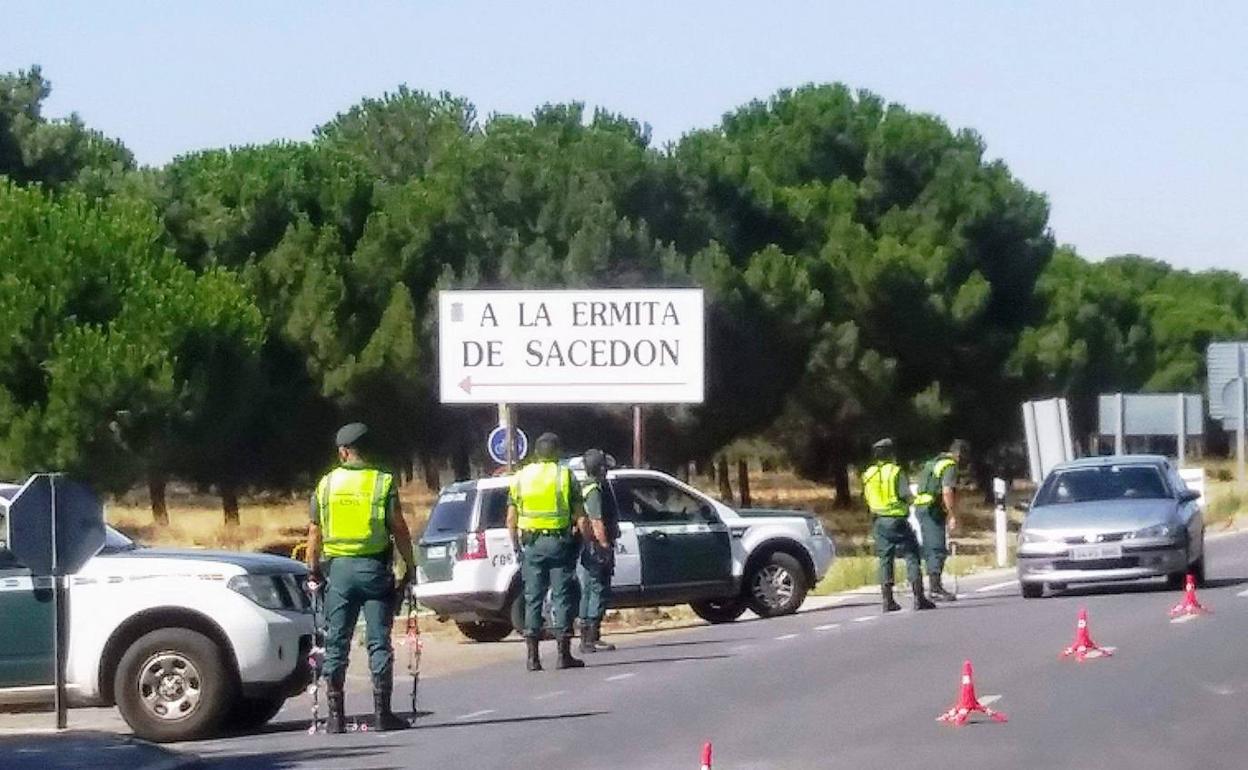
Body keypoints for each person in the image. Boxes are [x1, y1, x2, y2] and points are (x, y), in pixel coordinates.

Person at [306, 423, 416, 733]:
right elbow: (399, 527)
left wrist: (313, 569)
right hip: (374, 570)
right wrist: (409, 564)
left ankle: (334, 716)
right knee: (379, 641)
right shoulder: (382, 482)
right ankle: (383, 713)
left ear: (342, 452)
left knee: (337, 641)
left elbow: (314, 533)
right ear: (368, 450)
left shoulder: (326, 485)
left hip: (339, 571)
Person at [507, 432, 587, 671]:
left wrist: (516, 546)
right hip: (560, 544)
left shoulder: (521, 477)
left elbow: (511, 518)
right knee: (561, 597)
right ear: (558, 452)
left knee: (533, 597)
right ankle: (564, 655)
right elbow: (580, 515)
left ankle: (533, 658)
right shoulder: (564, 475)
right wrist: (587, 540)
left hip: (531, 544)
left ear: (535, 453)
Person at [863, 438, 935, 613]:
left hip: (879, 520)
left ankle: (887, 600)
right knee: (911, 554)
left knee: (885, 559)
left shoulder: (868, 474)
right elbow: (905, 495)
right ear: (891, 454)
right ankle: (919, 597)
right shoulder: (895, 472)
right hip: (897, 519)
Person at [914, 439, 969, 602]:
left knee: (931, 547)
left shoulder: (934, 462)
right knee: (937, 548)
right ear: (959, 455)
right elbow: (946, 491)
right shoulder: (949, 466)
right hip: (932, 509)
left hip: (922, 507)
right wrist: (952, 514)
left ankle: (934, 586)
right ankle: (935, 588)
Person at [578, 449, 619, 654]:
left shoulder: (590, 486)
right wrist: (604, 546)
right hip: (595, 547)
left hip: (589, 547)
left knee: (591, 589)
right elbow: (596, 521)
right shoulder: (594, 490)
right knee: (597, 589)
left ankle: (589, 637)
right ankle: (590, 637)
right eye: (604, 466)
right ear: (599, 468)